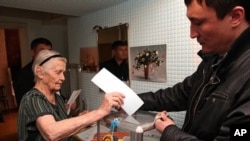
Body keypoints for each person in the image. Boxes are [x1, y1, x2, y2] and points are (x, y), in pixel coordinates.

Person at [138, 0, 250, 140]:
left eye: (198, 23)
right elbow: (177, 95)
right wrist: (129, 101)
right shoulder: (213, 60)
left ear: (235, 16)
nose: (192, 34)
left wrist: (169, 131)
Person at [18, 50, 125, 141]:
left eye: (63, 72)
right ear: (40, 72)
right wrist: (100, 112)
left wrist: (81, 119)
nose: (63, 78)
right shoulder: (32, 98)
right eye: (58, 72)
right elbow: (51, 132)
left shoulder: (57, 97)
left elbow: (63, 126)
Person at [13, 37, 52, 107]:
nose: (46, 55)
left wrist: (64, 102)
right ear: (33, 52)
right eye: (42, 51)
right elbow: (24, 102)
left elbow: (55, 92)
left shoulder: (51, 70)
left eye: (48, 51)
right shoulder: (23, 74)